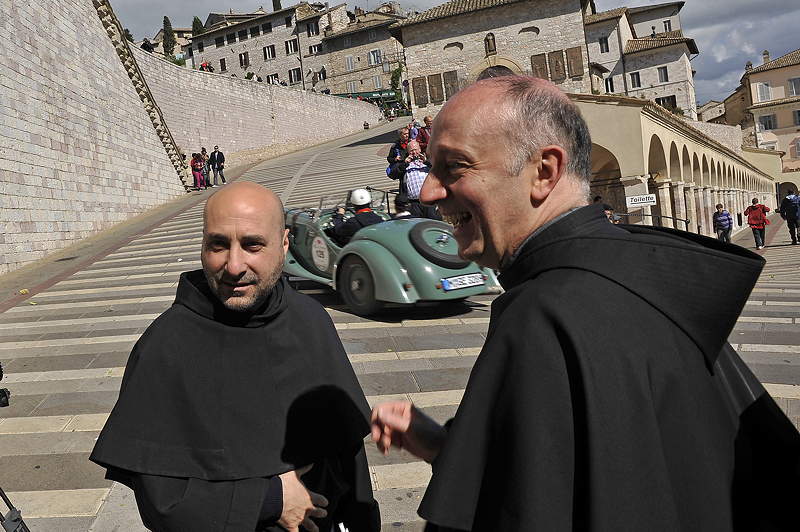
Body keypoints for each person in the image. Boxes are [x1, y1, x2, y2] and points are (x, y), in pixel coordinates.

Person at [370, 76, 799, 531]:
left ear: (544, 171)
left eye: (454, 167)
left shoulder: (543, 314)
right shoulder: (638, 271)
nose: (427, 192)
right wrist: (445, 445)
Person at [91, 182, 380, 532]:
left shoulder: (311, 319)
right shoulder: (165, 345)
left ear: (284, 244)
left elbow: (347, 451)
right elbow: (162, 502)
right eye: (218, 244)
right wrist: (271, 499)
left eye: (252, 244)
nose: (233, 265)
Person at [389, 140, 440, 219]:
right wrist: (405, 163)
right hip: (413, 203)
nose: (414, 152)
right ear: (408, 151)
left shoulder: (427, 161)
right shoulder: (404, 163)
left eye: (416, 149)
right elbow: (392, 174)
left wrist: (426, 162)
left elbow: (439, 170)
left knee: (433, 222)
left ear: (420, 149)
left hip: (429, 201)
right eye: (411, 150)